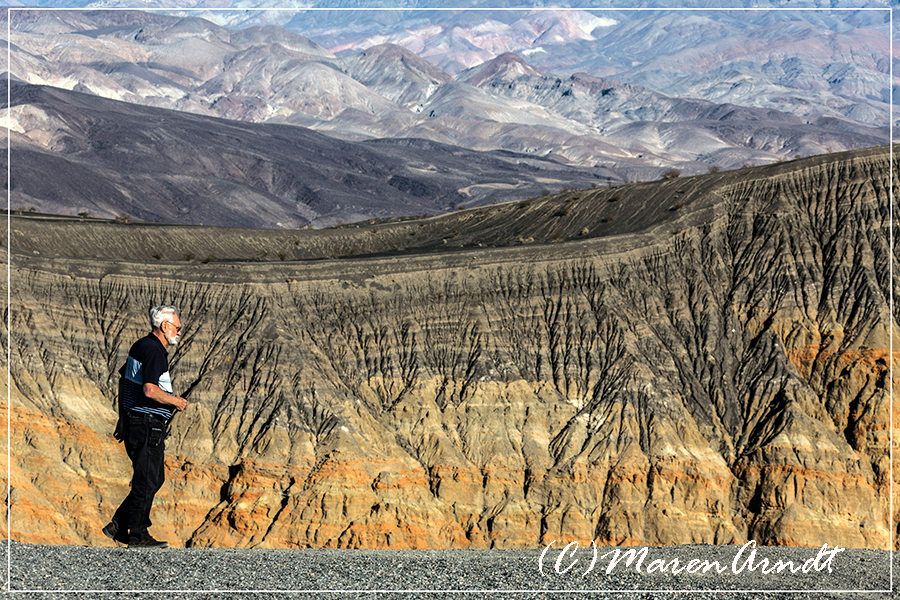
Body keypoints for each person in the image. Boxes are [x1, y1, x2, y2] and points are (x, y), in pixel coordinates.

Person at [102, 305, 189, 548]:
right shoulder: (154, 351)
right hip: (147, 424)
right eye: (177, 328)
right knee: (147, 480)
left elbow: (124, 381)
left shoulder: (140, 345)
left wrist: (123, 417)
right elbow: (149, 390)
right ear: (165, 326)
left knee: (152, 478)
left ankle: (118, 524)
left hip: (134, 420)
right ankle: (138, 534)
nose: (180, 332)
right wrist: (176, 401)